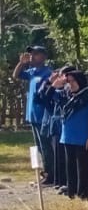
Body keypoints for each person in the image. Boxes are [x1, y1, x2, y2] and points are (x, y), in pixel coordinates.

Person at [57, 70, 88, 199]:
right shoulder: (68, 95)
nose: (70, 84)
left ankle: (85, 193)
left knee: (84, 167)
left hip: (83, 137)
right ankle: (73, 191)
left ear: (80, 81)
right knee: (70, 166)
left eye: (73, 81)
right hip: (68, 136)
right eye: (68, 81)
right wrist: (55, 83)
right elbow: (46, 96)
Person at [15, 46, 54, 184]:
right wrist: (21, 63)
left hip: (43, 116)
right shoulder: (31, 72)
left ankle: (51, 175)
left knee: (46, 146)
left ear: (43, 57)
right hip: (32, 115)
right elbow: (16, 75)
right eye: (31, 54)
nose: (31, 56)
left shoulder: (48, 73)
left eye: (35, 54)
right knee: (39, 146)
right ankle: (46, 173)